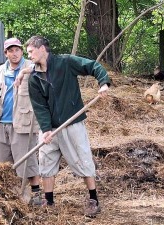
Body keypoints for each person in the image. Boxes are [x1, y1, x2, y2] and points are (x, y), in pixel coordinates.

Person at [23, 35, 110, 218]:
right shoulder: (34, 78)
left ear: (41, 48)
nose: (29, 55)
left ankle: (93, 199)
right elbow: (40, 106)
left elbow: (93, 66)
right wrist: (46, 129)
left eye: (30, 51)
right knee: (46, 161)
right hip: (51, 129)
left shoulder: (66, 62)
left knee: (82, 158)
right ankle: (49, 201)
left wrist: (103, 84)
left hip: (73, 122)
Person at [0, 37, 42, 206]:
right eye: (10, 51)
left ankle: (36, 195)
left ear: (22, 51)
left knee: (28, 161)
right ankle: (4, 196)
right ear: (5, 53)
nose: (14, 53)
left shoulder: (31, 67)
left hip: (23, 122)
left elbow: (44, 77)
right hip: (1, 122)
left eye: (17, 50)